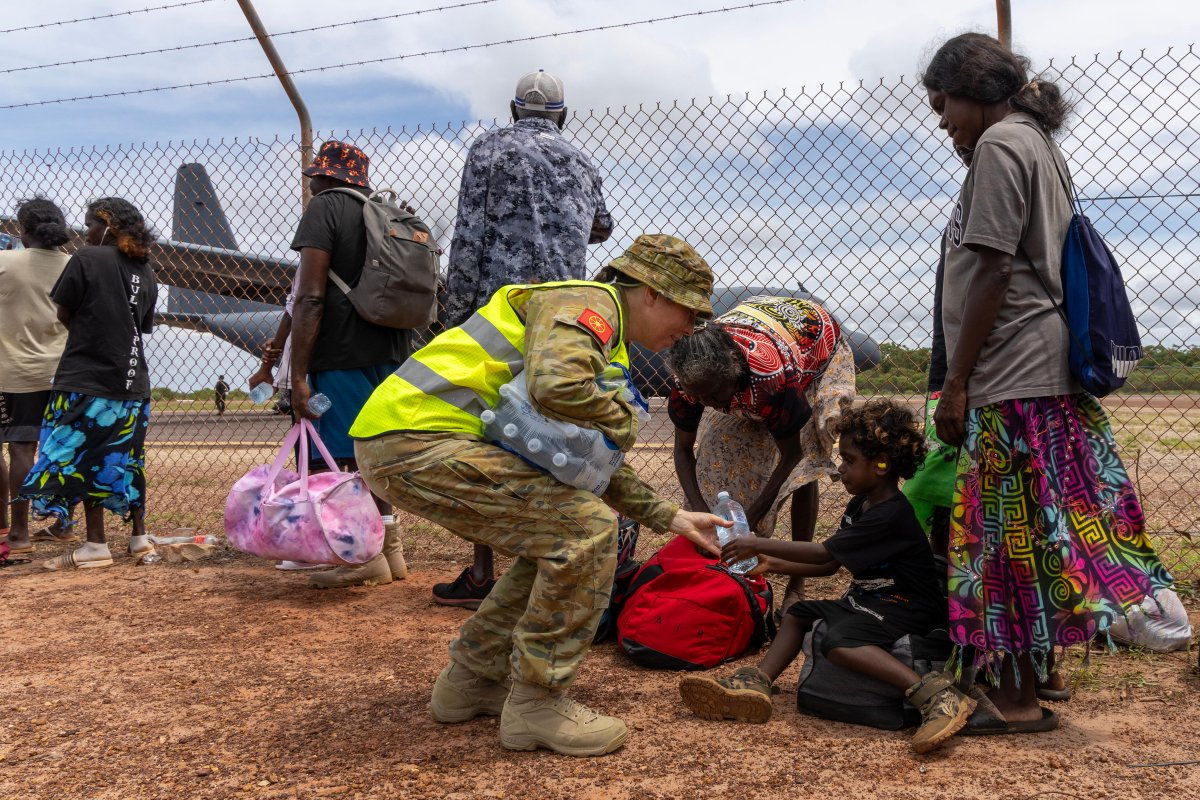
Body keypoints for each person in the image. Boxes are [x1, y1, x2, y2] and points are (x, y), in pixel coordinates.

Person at [349, 234, 728, 757]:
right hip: (422, 438)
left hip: (406, 438)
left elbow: (579, 462)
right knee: (588, 530)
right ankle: (537, 705)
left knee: (557, 537)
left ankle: (472, 682)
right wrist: (622, 419)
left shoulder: (598, 335)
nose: (690, 329)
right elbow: (558, 387)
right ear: (653, 293)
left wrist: (672, 517)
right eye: (689, 312)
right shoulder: (588, 306)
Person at [920, 33, 1173, 739]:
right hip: (1039, 372)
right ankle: (1041, 674)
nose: (943, 123)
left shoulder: (1002, 145)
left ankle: (1018, 699)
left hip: (1009, 375)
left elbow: (995, 272)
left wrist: (956, 382)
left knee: (1000, 542)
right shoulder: (1035, 141)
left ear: (972, 87)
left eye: (944, 106)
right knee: (1033, 531)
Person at [678, 399, 973, 754]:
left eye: (849, 461)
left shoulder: (890, 514)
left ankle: (935, 696)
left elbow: (823, 553)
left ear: (881, 465)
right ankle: (756, 682)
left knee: (839, 641)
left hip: (907, 607)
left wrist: (758, 542)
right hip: (873, 601)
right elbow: (831, 566)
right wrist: (772, 564)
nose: (840, 469)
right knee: (801, 614)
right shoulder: (862, 504)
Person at [437, 69, 615, 609]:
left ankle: (482, 570)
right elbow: (602, 227)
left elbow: (467, 235)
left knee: (488, 428)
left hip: (501, 310)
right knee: (555, 430)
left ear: (515, 110)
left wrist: (455, 317)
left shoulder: (487, 151)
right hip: (562, 310)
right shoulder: (582, 161)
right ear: (562, 114)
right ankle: (550, 562)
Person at [665, 295, 855, 615]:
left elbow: (792, 456)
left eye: (712, 395)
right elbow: (684, 451)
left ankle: (797, 582)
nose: (706, 403)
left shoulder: (770, 379)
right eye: (698, 396)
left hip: (815, 350)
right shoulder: (689, 384)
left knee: (805, 467)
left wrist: (752, 516)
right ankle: (710, 572)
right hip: (757, 343)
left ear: (734, 373)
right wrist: (700, 512)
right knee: (715, 453)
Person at [288, 140, 413, 589]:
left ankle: (363, 557)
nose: (312, 186)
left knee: (341, 455)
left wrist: (298, 375)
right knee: (373, 451)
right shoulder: (382, 211)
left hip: (340, 351)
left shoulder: (325, 209)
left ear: (325, 177)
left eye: (315, 178)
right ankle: (390, 552)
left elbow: (309, 296)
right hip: (392, 349)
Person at [18, 197, 158, 569]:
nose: (86, 232)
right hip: (133, 383)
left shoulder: (86, 259)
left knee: (85, 457)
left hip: (87, 378)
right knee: (127, 457)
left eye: (90, 224)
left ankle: (96, 545)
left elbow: (64, 311)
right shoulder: (146, 270)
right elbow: (140, 325)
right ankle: (138, 539)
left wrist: (88, 337)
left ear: (107, 225)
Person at [1, 198, 75, 554]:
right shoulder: (76, 265)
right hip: (67, 371)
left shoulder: (6, 263)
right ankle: (64, 524)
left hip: (17, 371)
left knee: (20, 446)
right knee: (67, 447)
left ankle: (18, 532)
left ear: (22, 229)